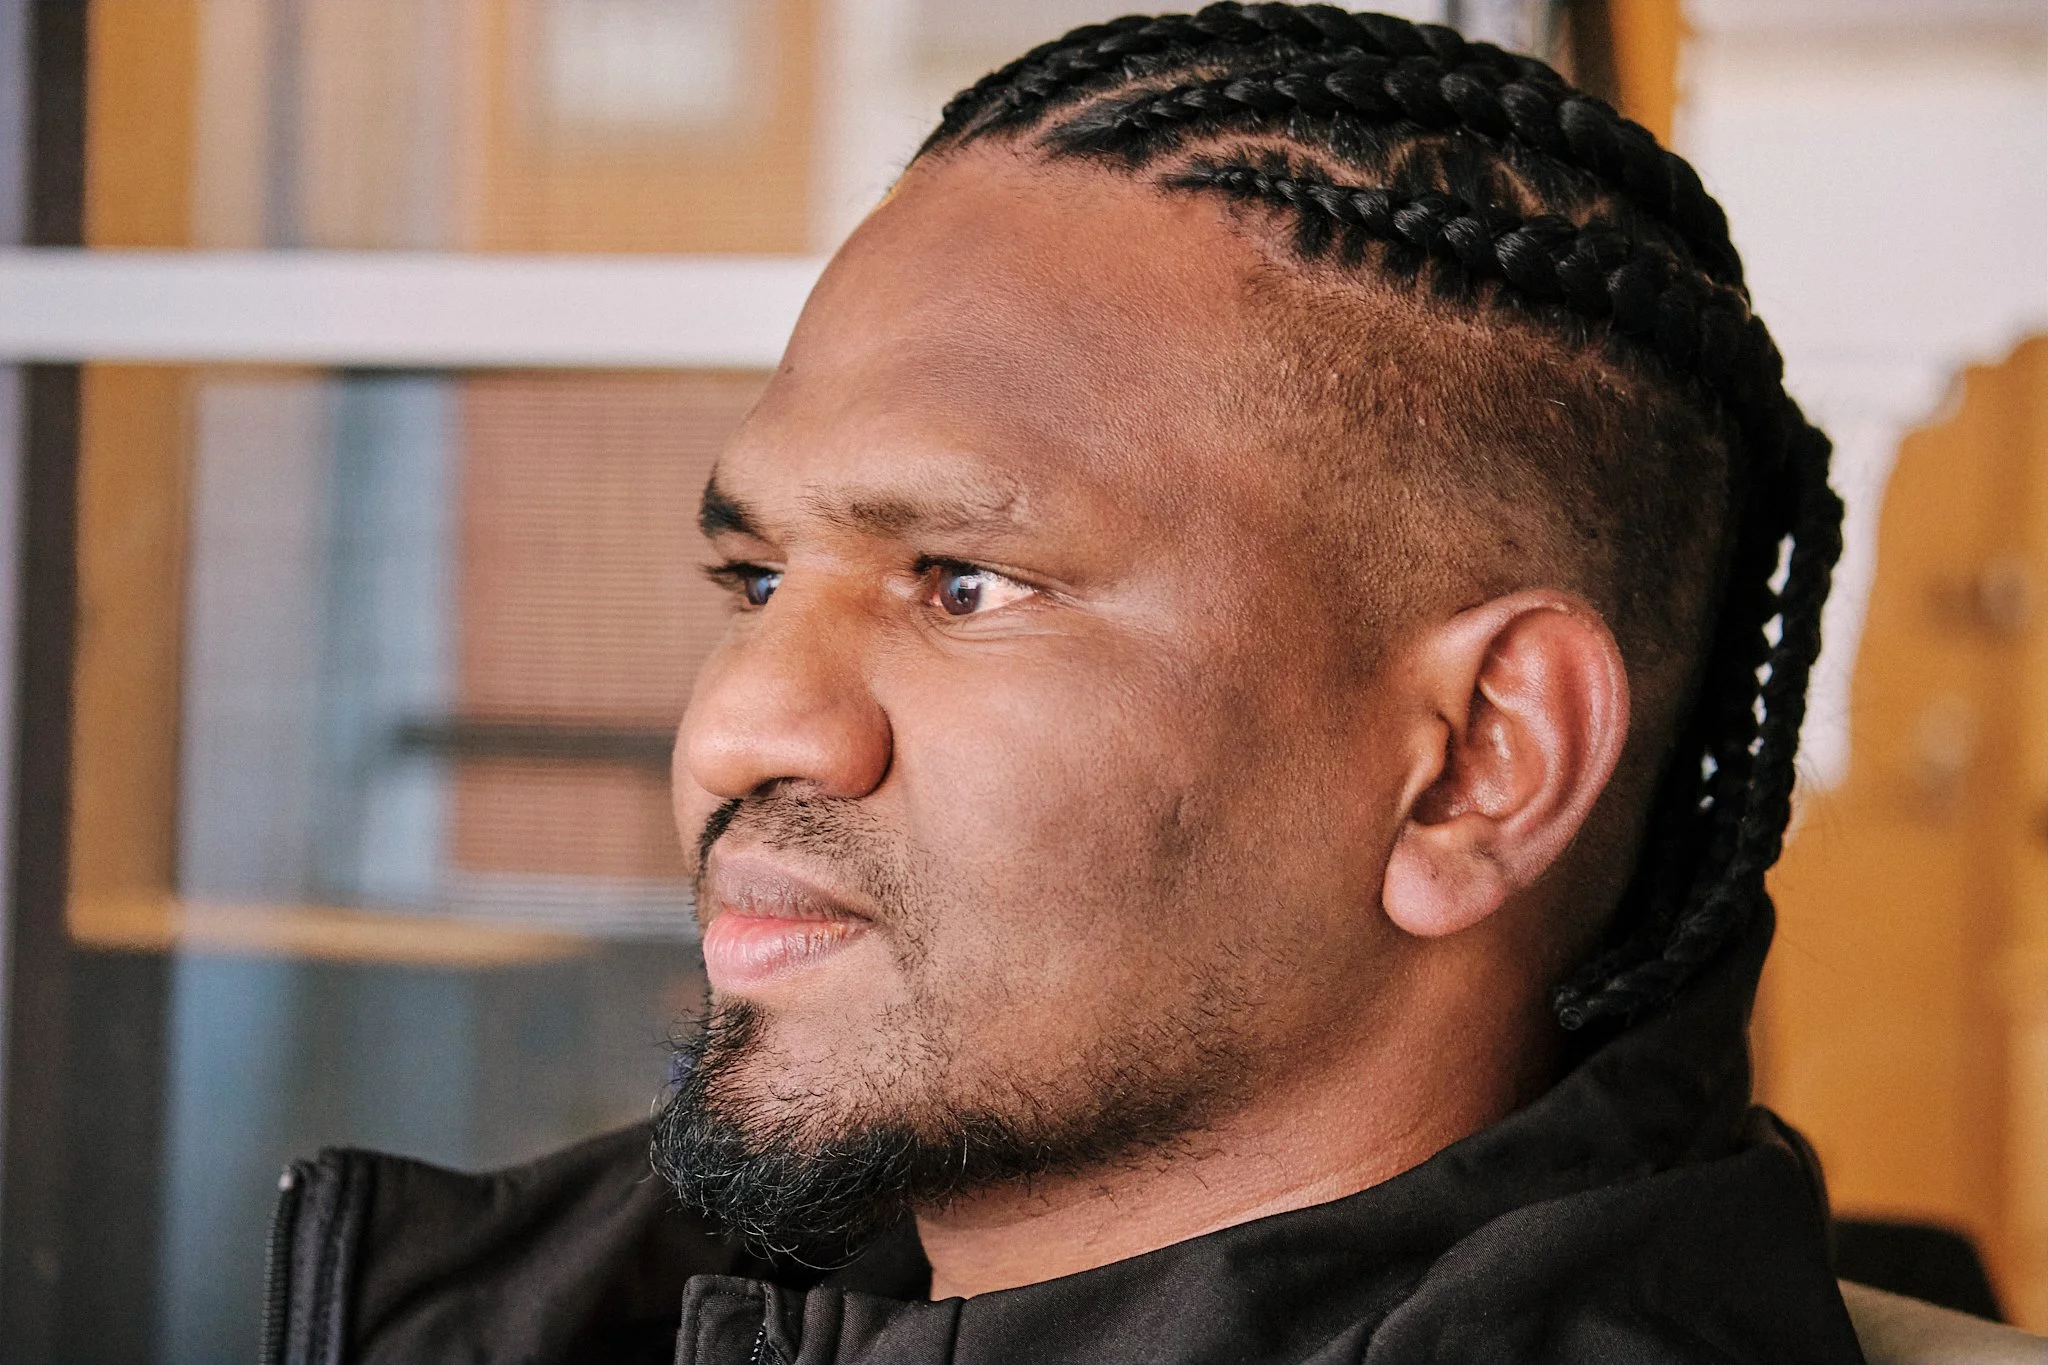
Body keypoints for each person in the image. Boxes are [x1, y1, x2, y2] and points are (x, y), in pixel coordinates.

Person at [262, 7, 1865, 1362]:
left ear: (1474, 765)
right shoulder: (577, 1304)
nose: (734, 730)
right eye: (756, 580)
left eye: (964, 583)